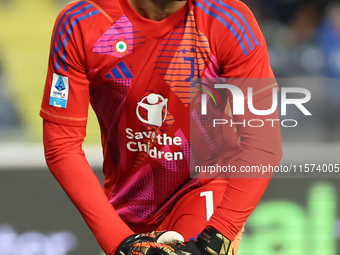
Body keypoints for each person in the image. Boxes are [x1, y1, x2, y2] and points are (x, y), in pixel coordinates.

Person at [40, 0, 283, 254]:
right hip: (126, 204)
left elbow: (263, 144)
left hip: (203, 188)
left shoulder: (229, 20)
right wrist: (119, 241)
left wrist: (220, 233)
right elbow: (62, 145)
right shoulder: (82, 21)